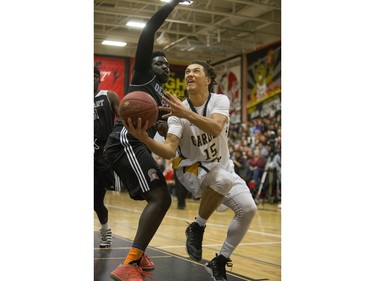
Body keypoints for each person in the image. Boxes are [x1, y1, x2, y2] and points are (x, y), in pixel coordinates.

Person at [124, 60, 258, 281]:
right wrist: (145, 138)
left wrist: (186, 114)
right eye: (187, 71)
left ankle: (220, 260)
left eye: (196, 71)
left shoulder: (219, 100)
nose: (190, 74)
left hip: (221, 167)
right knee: (222, 180)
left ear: (208, 80)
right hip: (190, 170)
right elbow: (168, 151)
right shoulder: (177, 112)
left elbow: (215, 127)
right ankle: (197, 226)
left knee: (248, 209)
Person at [104, 1, 188, 280]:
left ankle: (137, 254)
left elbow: (160, 130)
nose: (163, 66)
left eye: (165, 64)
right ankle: (130, 262)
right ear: (148, 66)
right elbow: (148, 31)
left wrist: (165, 125)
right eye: (158, 62)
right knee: (161, 198)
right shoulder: (142, 78)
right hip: (125, 141)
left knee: (156, 197)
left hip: (135, 144)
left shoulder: (160, 95)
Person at [94, 66, 120, 248]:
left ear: (99, 78)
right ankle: (105, 229)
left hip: (102, 155)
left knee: (95, 199)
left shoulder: (108, 96)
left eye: (94, 75)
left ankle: (105, 228)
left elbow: (122, 120)